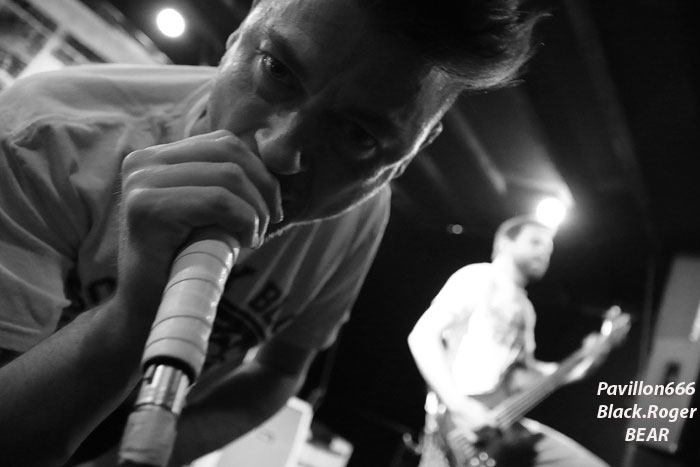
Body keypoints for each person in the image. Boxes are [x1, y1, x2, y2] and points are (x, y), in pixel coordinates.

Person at [0, 1, 547, 465]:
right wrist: (132, 314)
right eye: (276, 70)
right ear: (240, 31)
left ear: (407, 158)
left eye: (357, 136)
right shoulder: (43, 136)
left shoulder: (358, 215)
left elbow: (279, 373)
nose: (279, 151)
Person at [408, 215, 613, 467]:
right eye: (535, 242)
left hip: (502, 425)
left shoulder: (526, 309)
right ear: (505, 243)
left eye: (549, 251)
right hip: (456, 428)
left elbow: (525, 377)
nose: (544, 254)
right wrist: (459, 405)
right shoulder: (479, 276)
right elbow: (422, 335)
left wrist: (587, 359)